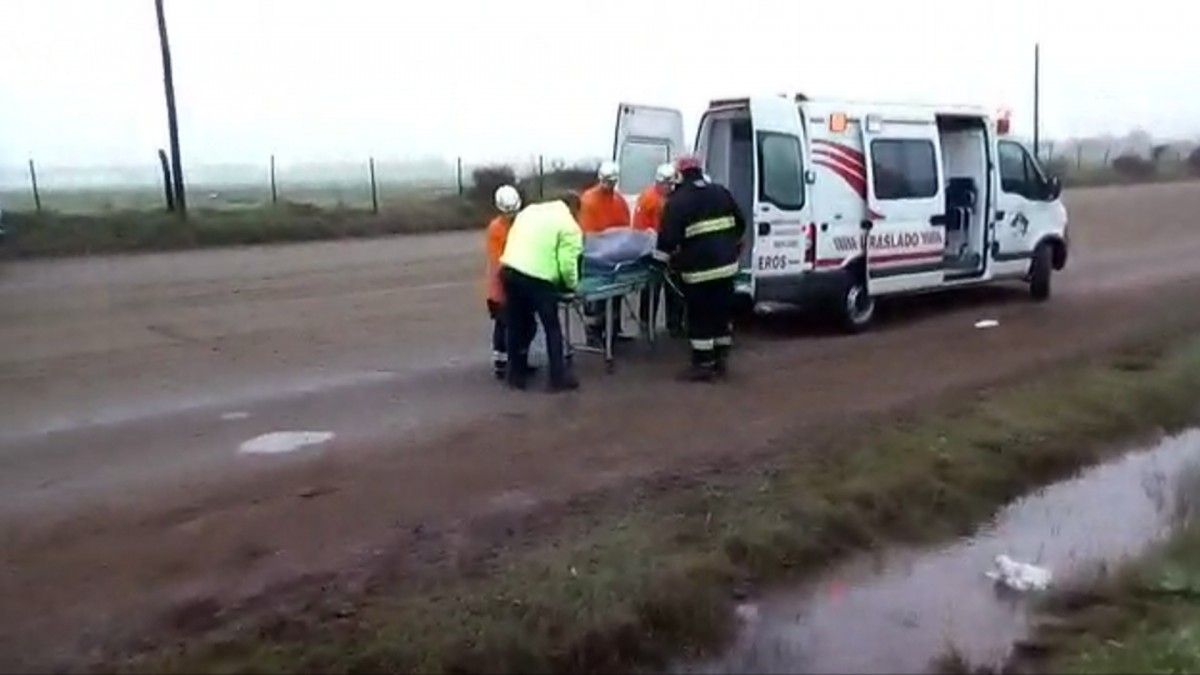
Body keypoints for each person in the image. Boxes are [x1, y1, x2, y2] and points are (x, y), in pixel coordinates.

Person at [654, 155, 746, 381]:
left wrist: (658, 262)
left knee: (700, 317)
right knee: (721, 314)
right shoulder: (721, 192)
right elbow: (740, 223)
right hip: (726, 267)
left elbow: (667, 238)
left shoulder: (678, 201)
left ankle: (703, 365)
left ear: (679, 175)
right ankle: (721, 360)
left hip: (699, 271)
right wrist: (728, 246)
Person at [499, 192, 585, 392]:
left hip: (510, 271)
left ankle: (515, 375)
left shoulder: (529, 211)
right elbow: (567, 263)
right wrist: (571, 285)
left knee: (517, 324)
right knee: (551, 328)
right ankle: (557, 379)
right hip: (539, 278)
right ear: (574, 208)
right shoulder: (569, 225)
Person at [579, 160, 634, 345]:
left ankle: (614, 330)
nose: (609, 185)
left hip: (614, 256)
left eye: (612, 182)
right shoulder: (588, 200)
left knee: (615, 297)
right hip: (596, 258)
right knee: (597, 299)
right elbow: (588, 234)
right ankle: (594, 333)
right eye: (606, 181)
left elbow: (625, 227)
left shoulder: (618, 200)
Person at [633, 162, 685, 338]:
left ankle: (674, 324)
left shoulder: (675, 197)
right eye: (667, 184)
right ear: (659, 182)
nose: (669, 187)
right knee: (651, 288)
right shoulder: (648, 198)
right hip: (653, 250)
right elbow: (640, 228)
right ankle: (646, 323)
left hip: (672, 249)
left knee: (674, 289)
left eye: (672, 184)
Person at [485, 184, 529, 380]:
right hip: (502, 282)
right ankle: (503, 364)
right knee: (504, 323)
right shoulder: (496, 228)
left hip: (516, 279)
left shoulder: (521, 223)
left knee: (519, 323)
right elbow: (499, 259)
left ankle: (517, 360)